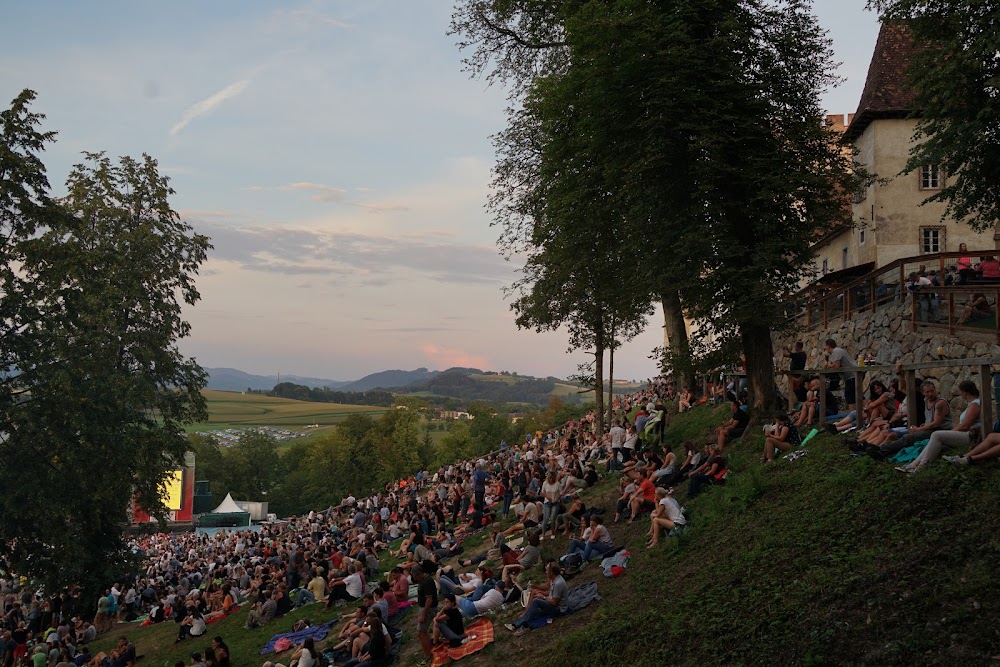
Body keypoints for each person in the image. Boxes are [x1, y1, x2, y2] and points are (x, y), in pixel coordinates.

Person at [898, 381, 981, 473]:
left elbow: (965, 426)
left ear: (965, 392)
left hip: (971, 436)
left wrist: (951, 432)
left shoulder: (975, 405)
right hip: (965, 434)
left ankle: (921, 467)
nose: (960, 394)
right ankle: (914, 464)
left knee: (936, 435)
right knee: (933, 440)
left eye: (960, 392)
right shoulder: (972, 404)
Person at [873, 380, 951, 459]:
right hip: (931, 429)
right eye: (927, 392)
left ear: (935, 390)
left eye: (932, 391)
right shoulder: (926, 400)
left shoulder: (940, 403)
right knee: (908, 435)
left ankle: (883, 450)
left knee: (908, 438)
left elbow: (936, 424)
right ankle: (879, 448)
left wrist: (919, 429)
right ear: (923, 392)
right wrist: (924, 425)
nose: (930, 394)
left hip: (940, 431)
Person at [505, 562, 567, 636]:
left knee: (536, 602)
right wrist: (541, 592)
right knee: (534, 609)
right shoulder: (554, 579)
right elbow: (552, 594)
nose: (546, 572)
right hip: (553, 604)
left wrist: (543, 597)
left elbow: (554, 602)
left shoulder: (558, 583)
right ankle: (516, 624)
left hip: (559, 609)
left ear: (552, 572)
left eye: (547, 570)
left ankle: (521, 625)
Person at [412, 565, 437, 664]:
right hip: (424, 608)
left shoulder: (427, 582)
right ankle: (430, 650)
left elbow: (429, 600)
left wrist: (423, 614)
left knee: (420, 633)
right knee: (423, 631)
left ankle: (428, 656)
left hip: (428, 609)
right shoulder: (423, 580)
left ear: (417, 574)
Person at [824, 338, 857, 409]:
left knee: (850, 397)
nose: (825, 348)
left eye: (825, 346)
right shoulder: (831, 355)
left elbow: (836, 366)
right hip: (849, 377)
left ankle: (854, 416)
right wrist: (829, 364)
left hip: (852, 376)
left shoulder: (836, 351)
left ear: (828, 346)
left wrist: (829, 364)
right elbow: (828, 366)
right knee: (856, 396)